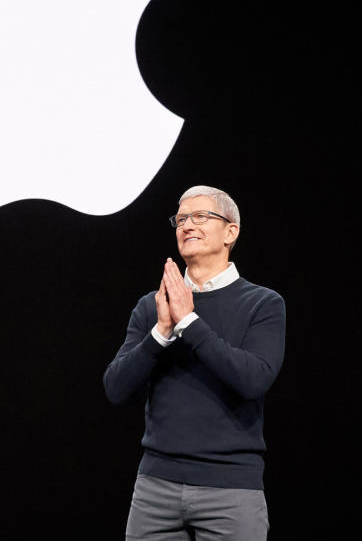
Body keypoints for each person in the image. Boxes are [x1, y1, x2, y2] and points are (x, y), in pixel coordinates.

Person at [104, 185, 286, 540]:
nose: (187, 225)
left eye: (200, 216)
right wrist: (160, 333)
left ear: (230, 232)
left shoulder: (263, 304)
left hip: (231, 488)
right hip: (155, 488)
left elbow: (253, 380)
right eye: (181, 219)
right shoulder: (153, 305)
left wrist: (189, 322)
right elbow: (116, 388)